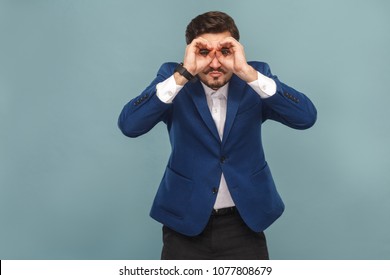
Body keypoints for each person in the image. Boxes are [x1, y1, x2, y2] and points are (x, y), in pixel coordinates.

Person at [118, 11, 317, 260]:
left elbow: (305, 118)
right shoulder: (173, 77)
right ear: (191, 51)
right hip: (184, 221)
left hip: (245, 220)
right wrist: (184, 73)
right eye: (204, 52)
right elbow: (130, 125)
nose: (214, 64)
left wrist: (248, 73)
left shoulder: (254, 76)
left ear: (236, 49)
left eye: (224, 51)